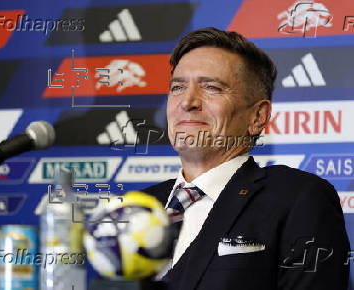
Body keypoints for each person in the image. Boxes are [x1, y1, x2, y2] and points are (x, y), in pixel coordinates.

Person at [143, 27, 350, 290]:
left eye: (211, 87)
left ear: (257, 117)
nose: (187, 101)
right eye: (178, 87)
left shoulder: (299, 198)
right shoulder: (138, 206)